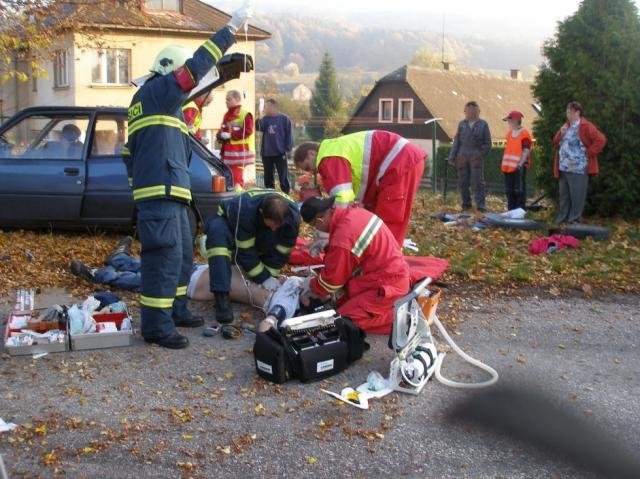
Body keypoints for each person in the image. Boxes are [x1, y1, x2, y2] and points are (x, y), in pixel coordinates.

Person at [124, 3, 252, 350]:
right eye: (178, 72)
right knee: (163, 259)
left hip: (173, 193)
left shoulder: (161, 104)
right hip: (161, 194)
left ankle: (176, 310)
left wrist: (143, 185)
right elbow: (196, 68)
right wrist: (229, 30)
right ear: (167, 70)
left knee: (180, 257)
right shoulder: (157, 93)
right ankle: (156, 326)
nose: (184, 80)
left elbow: (128, 154)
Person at [293, 130, 426, 247]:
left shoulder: (327, 157)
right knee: (379, 220)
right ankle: (386, 258)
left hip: (399, 163)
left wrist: (331, 235)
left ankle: (387, 261)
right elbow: (353, 194)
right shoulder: (334, 150)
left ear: (311, 153)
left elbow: (343, 200)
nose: (312, 172)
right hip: (401, 161)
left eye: (307, 167)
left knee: (387, 220)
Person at [298, 196, 410, 335]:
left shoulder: (343, 237)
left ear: (320, 220)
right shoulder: (353, 213)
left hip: (386, 286)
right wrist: (329, 248)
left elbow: (331, 283)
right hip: (383, 276)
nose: (316, 230)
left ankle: (401, 319)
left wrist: (312, 286)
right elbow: (352, 254)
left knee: (341, 322)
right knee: (341, 306)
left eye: (314, 226)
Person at [204, 189, 301, 324]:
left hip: (259, 223)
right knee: (218, 245)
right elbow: (246, 251)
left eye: (277, 225)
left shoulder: (293, 217)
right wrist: (263, 278)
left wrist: (270, 276)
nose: (274, 228)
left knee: (270, 240)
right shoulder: (244, 211)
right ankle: (221, 298)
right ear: (261, 212)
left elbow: (282, 252)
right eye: (271, 224)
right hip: (226, 220)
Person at [552, 101, 606, 224]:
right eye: (567, 112)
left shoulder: (586, 126)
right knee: (564, 196)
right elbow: (555, 142)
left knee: (577, 196)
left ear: (578, 112)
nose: (568, 114)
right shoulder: (566, 126)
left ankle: (574, 220)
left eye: (570, 112)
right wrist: (561, 133)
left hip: (578, 168)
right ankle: (563, 218)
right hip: (563, 167)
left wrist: (589, 153)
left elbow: (601, 140)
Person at [447, 101, 492, 212]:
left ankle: (480, 206)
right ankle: (466, 204)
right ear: (465, 112)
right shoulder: (462, 124)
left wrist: (480, 154)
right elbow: (456, 141)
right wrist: (452, 157)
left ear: (478, 112)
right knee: (463, 182)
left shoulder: (483, 124)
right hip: (462, 157)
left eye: (474, 111)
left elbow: (488, 143)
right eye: (468, 111)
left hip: (475, 157)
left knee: (478, 182)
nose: (471, 113)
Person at [217, 89, 255, 188]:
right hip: (228, 155)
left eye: (229, 99)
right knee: (230, 182)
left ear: (237, 99)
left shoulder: (245, 114)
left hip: (238, 155)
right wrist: (219, 136)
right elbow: (222, 130)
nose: (226, 102)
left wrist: (230, 135)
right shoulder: (227, 115)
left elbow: (248, 131)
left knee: (236, 182)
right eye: (226, 100)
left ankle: (238, 200)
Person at [256, 99, 294, 194]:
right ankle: (270, 194)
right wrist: (259, 116)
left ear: (274, 107)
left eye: (267, 106)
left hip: (280, 152)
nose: (266, 108)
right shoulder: (265, 119)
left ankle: (286, 194)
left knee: (283, 176)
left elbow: (289, 134)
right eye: (265, 106)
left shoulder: (284, 119)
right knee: (268, 176)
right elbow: (258, 127)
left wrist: (287, 148)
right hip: (267, 153)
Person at [501, 111, 532, 211]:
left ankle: (519, 211)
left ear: (516, 121)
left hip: (518, 167)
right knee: (509, 191)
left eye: (509, 120)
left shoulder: (524, 134)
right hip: (508, 168)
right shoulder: (510, 134)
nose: (508, 123)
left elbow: (526, 150)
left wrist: (520, 164)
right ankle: (511, 210)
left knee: (519, 190)